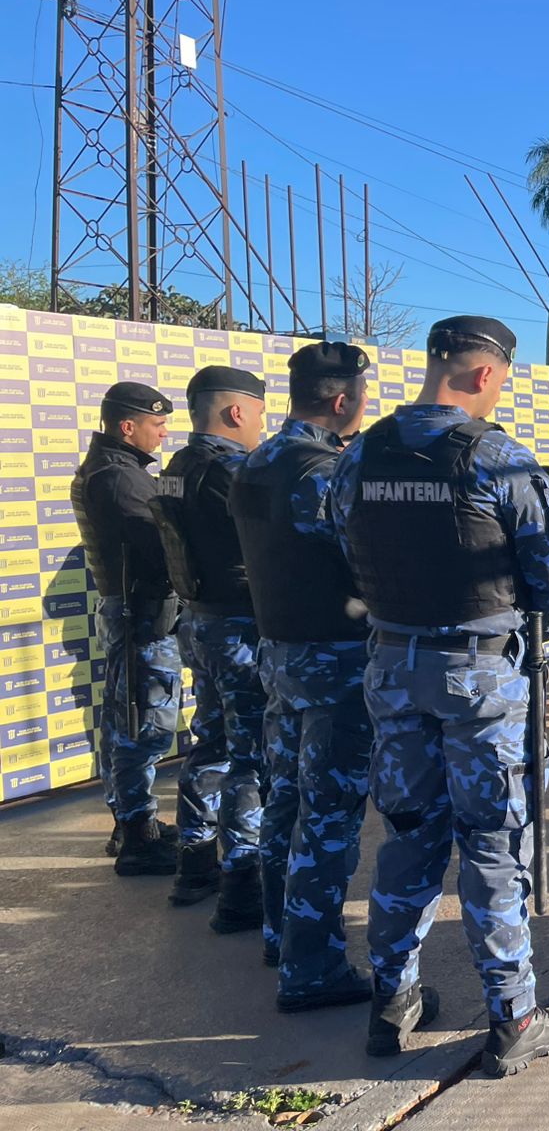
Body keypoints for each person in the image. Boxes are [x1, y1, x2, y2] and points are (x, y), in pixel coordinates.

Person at [329, 315, 549, 1076]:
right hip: (480, 680)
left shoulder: (360, 454)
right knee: (494, 841)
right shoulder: (497, 458)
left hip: (391, 668)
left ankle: (392, 999)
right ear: (483, 374)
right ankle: (513, 1015)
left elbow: (346, 546)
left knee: (407, 833)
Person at [230, 342, 374, 1009]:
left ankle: (281, 935)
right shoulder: (325, 473)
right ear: (342, 400)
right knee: (329, 818)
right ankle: (312, 969)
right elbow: (368, 560)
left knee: (284, 802)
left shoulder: (256, 461)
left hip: (281, 657)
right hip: (334, 664)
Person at [151, 366, 268, 932]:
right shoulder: (235, 472)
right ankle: (242, 885)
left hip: (199, 623)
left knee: (212, 743)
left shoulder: (177, 467)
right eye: (259, 413)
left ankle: (194, 863)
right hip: (239, 628)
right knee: (250, 757)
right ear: (237, 412)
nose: (262, 425)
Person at [71, 382, 182, 875]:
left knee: (125, 722)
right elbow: (162, 550)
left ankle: (133, 823)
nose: (163, 433)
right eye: (157, 424)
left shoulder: (111, 470)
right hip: (142, 616)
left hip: (130, 611)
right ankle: (139, 838)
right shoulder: (119, 477)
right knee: (144, 726)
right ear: (127, 426)